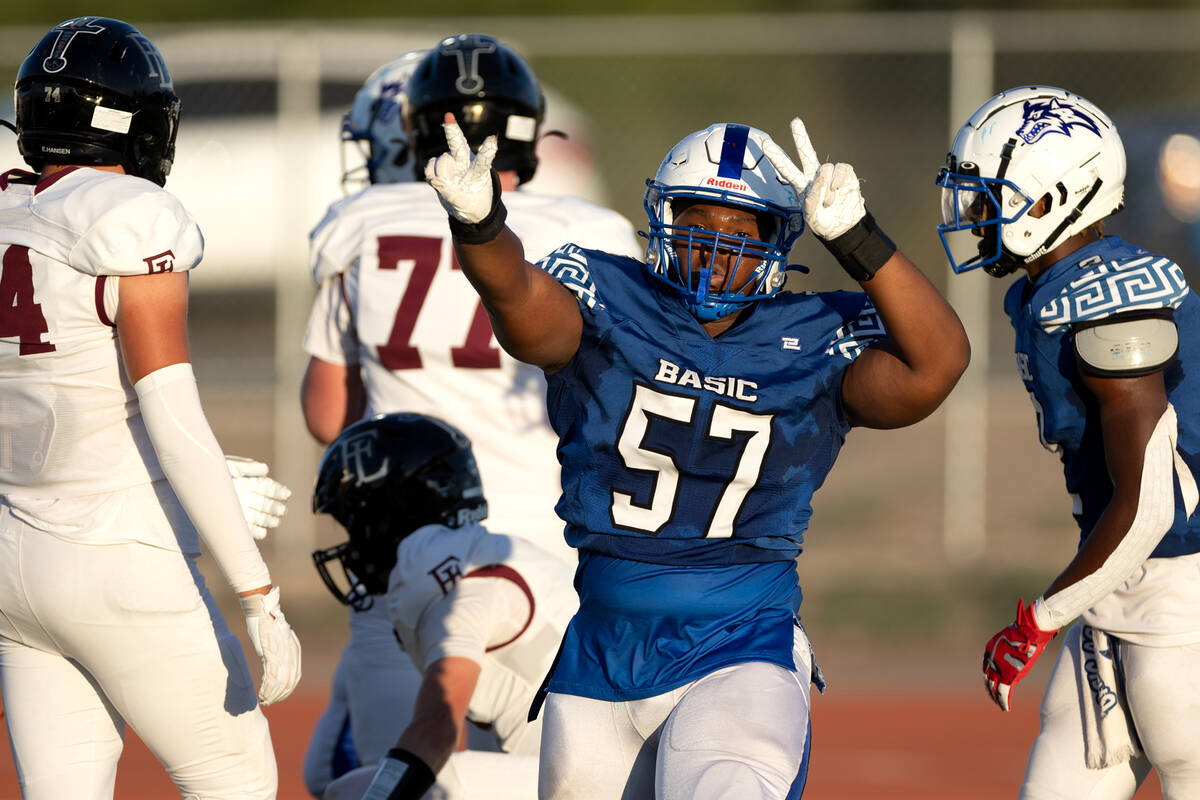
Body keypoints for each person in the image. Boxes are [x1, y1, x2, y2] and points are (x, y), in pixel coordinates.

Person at [423, 108, 969, 796]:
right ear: (664, 218)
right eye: (698, 220)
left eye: (742, 229)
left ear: (780, 238)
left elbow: (938, 363)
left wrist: (859, 239)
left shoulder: (813, 335)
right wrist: (480, 227)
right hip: (600, 654)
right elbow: (521, 305)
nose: (717, 245)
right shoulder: (609, 297)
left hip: (735, 646)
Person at [299, 34, 641, 797]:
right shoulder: (592, 229)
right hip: (550, 548)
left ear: (417, 131)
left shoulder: (361, 223)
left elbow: (329, 417)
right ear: (530, 133)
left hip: (406, 546)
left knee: (377, 776)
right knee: (536, 767)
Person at [0, 17, 301, 800]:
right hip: (116, 554)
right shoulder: (129, 214)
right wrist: (257, 592)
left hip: (12, 560)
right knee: (235, 781)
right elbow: (169, 410)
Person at [938, 85, 1200, 799]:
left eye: (987, 198)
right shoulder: (1053, 288)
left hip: (1184, 609)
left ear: (1052, 200)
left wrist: (1038, 621)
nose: (972, 216)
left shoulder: (1105, 298)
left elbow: (1148, 504)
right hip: (1119, 598)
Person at [308, 413, 577, 800]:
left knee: (360, 791)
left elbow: (437, 724)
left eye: (358, 523)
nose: (351, 547)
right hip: (596, 765)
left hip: (595, 780)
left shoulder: (466, 589)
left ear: (394, 516)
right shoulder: (484, 556)